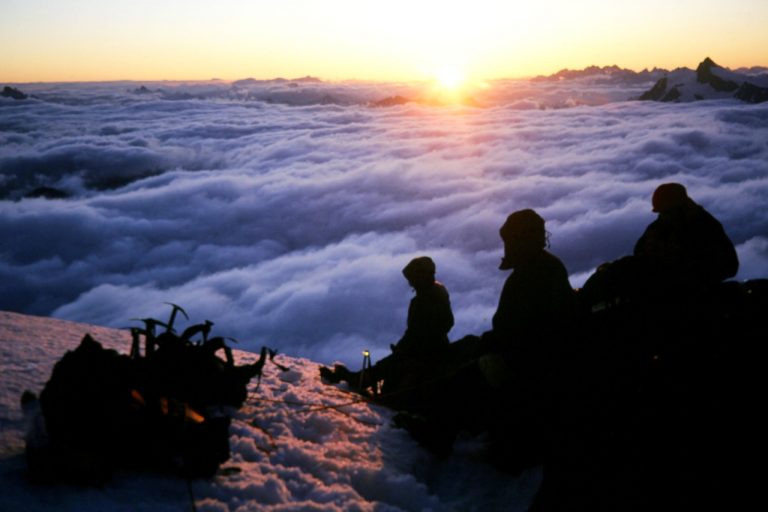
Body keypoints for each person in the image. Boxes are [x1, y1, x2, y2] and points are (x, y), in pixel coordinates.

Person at [320, 256, 453, 395]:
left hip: (424, 352)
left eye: (412, 279)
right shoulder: (439, 290)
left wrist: (402, 348)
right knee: (392, 362)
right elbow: (448, 322)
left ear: (420, 277)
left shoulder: (422, 301)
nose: (410, 284)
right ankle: (360, 378)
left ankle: (359, 380)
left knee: (390, 364)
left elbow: (414, 333)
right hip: (439, 346)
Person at [633, 182, 739, 289]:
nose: (663, 215)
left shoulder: (705, 226)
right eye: (662, 212)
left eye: (666, 211)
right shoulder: (660, 226)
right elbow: (640, 251)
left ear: (680, 206)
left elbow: (729, 266)